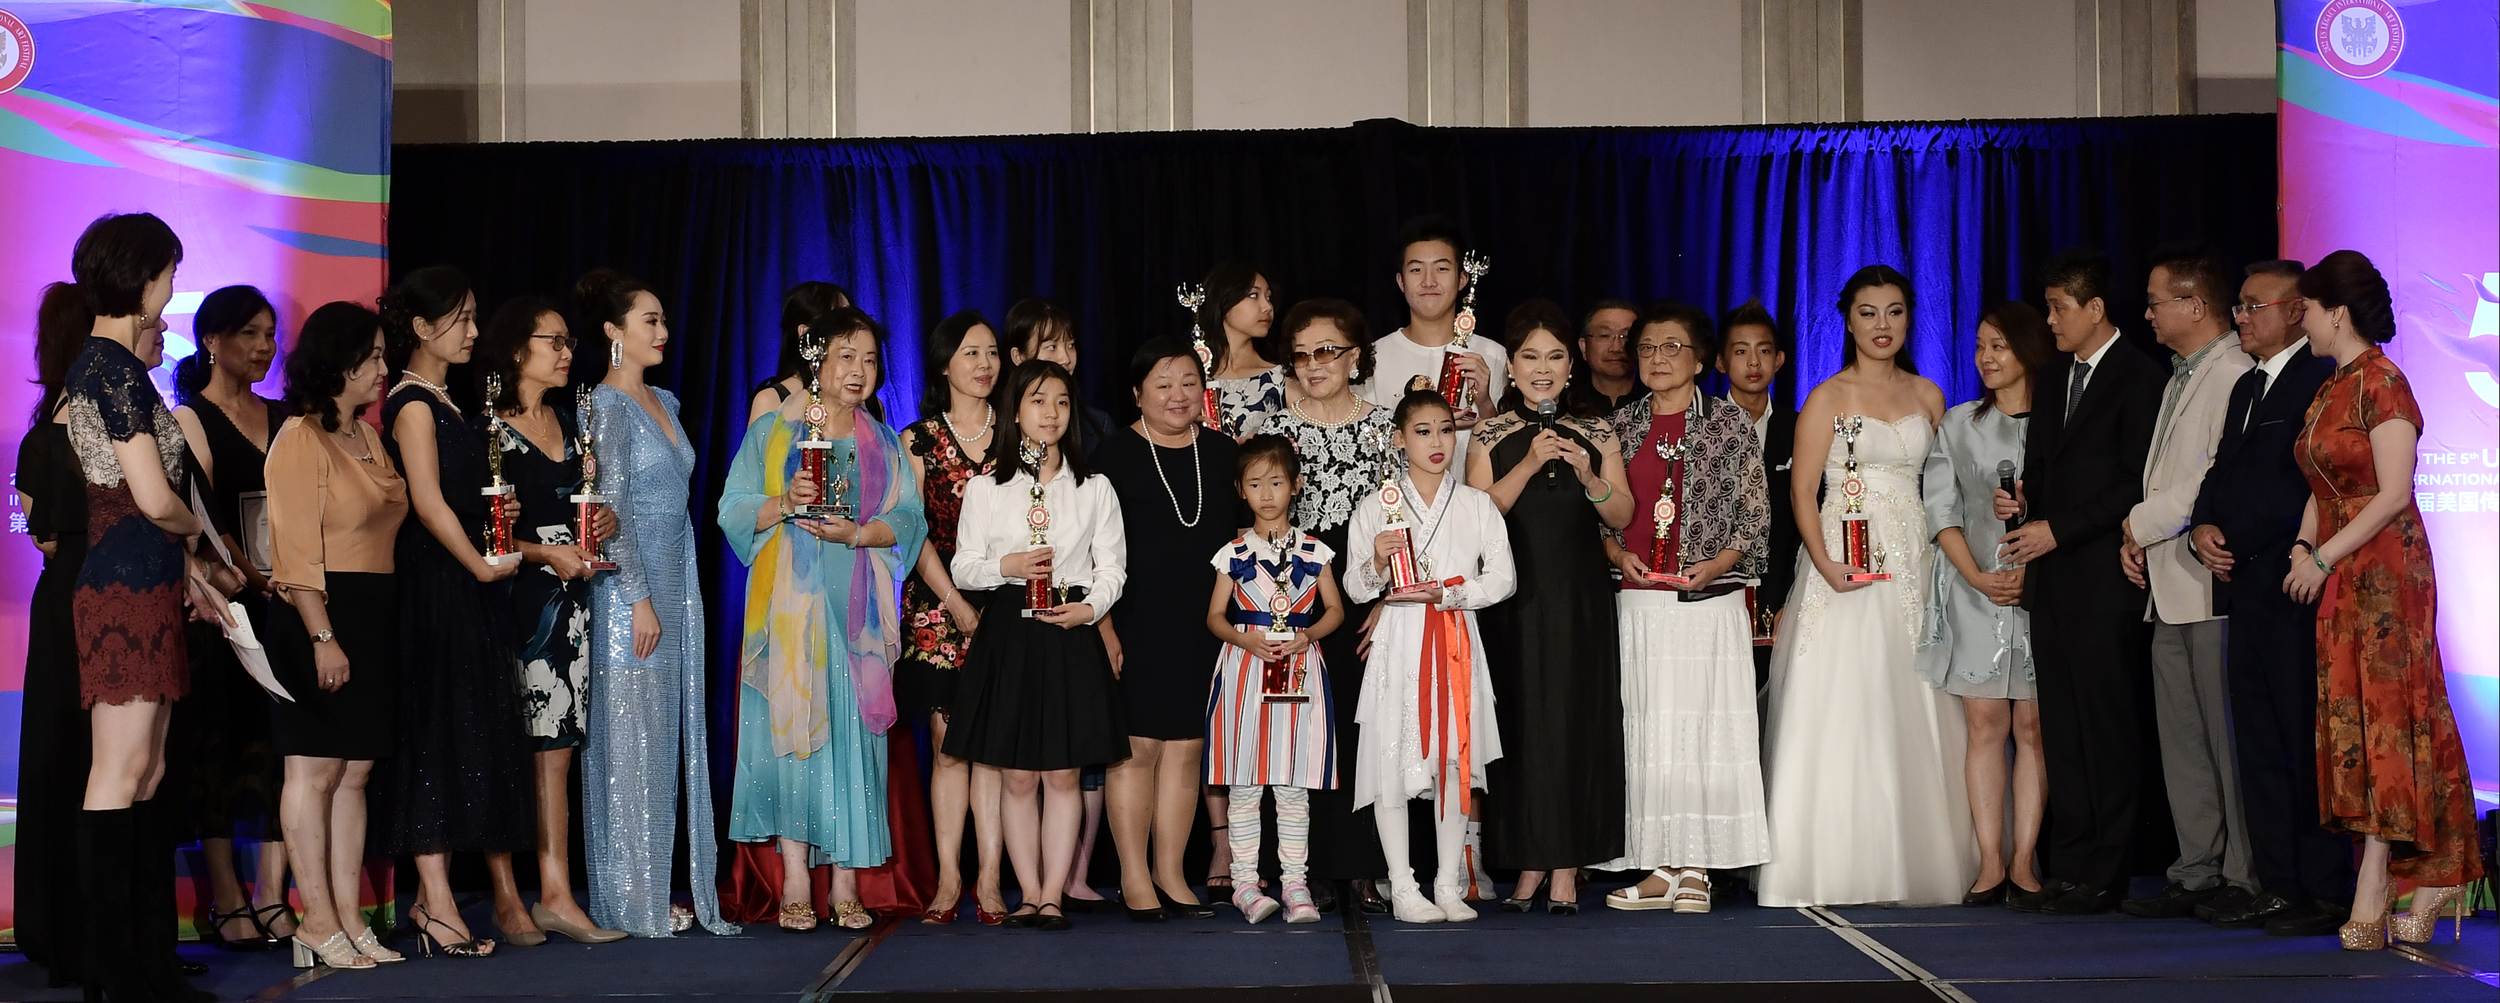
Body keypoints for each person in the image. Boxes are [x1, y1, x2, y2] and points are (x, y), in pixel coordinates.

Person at [1755, 265, 1975, 908]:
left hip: (1916, 558)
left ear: (1909, 320)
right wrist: (1824, 563)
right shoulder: (1826, 397)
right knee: (1843, 695)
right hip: (1842, 560)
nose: (1883, 325)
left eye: (1895, 312)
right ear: (1848, 321)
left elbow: (1946, 487)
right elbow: (1801, 492)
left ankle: (1922, 860)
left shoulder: (1930, 395)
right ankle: (1826, 863)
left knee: (1916, 692)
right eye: (1869, 312)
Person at [2284, 250, 2483, 949]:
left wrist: (2323, 555)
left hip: (2388, 570)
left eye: (2307, 308)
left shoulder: (2384, 382)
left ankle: (2377, 878)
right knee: (2359, 719)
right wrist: (2302, 545)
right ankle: (2436, 873)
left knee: (2395, 716)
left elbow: (2393, 493)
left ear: (2337, 313)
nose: (2300, 320)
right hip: (2342, 568)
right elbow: (2322, 486)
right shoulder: (2329, 388)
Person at [61, 213, 227, 1000]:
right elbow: (155, 498)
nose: (170, 290)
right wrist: (210, 544)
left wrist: (189, 567)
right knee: (120, 770)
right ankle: (114, 968)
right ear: (142, 276)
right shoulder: (110, 367)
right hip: (123, 585)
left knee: (149, 769)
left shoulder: (117, 365)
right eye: (168, 274)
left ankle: (146, 960)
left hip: (147, 578)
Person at [722, 306, 929, 933]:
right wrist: (784, 501)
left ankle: (844, 884)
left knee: (851, 742)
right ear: (817, 360)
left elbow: (910, 520)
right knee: (793, 739)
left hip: (857, 617)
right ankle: (793, 881)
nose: (859, 371)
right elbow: (733, 507)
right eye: (846, 357)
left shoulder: (883, 441)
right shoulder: (775, 430)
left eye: (869, 360)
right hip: (789, 614)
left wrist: (860, 533)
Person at [1995, 248, 2164, 915]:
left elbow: (2133, 481)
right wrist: (2023, 502)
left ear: (2095, 308)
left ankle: (2108, 869)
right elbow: (2044, 467)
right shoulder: (2056, 374)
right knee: (2061, 727)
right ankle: (2068, 863)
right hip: (2053, 580)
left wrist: (2058, 529)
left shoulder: (2140, 376)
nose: (2050, 319)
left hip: (2103, 577)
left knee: (2106, 725)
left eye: (2059, 307)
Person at [376, 267, 536, 959]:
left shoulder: (446, 399)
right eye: (461, 318)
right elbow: (426, 501)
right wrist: (476, 562)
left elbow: (459, 497)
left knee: (466, 729)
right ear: (420, 327)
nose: (473, 331)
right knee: (436, 732)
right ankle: (435, 901)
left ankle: (432, 896)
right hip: (439, 583)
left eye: (474, 316)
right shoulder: (412, 402)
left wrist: (499, 518)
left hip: (471, 580)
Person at [2186, 260, 2350, 935]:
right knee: (2255, 738)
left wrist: (2244, 536)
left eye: (2255, 306)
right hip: (2242, 585)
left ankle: (2325, 889)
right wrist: (2202, 526)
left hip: (2292, 581)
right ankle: (2276, 883)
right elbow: (2221, 471)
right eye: (2240, 306)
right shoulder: (2247, 384)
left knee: (2300, 736)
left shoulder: (2319, 380)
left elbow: (2305, 487)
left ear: (2294, 311)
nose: (2241, 318)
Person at [1592, 302, 1771, 914]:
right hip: (1639, 605)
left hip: (1706, 604)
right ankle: (1659, 866)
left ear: (1700, 360)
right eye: (1647, 347)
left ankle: (1698, 866)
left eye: (1672, 347)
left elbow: (1755, 518)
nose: (1657, 358)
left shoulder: (1728, 422)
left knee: (1703, 731)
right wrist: (1617, 554)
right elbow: (1600, 518)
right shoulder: (1620, 425)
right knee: (1649, 732)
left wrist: (1716, 565)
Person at [577, 268, 739, 938]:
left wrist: (676, 598)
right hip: (628, 594)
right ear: (613, 332)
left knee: (662, 740)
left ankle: (654, 888)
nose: (663, 331)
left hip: (677, 586)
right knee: (629, 744)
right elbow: (609, 511)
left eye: (664, 319)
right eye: (650, 320)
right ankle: (630, 900)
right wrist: (638, 598)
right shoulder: (604, 405)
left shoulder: (664, 401)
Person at [942, 359, 1129, 932]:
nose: (1051, 413)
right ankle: (1027, 894)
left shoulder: (1093, 486)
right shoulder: (987, 488)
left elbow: (1113, 568)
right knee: (1018, 775)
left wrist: (1090, 609)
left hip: (1069, 630)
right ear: (1015, 411)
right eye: (1038, 401)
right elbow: (964, 567)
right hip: (1011, 632)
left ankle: (1052, 896)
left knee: (1065, 774)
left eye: (1062, 402)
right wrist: (1009, 565)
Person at [1465, 300, 1633, 914]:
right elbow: (1476, 521)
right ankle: (1528, 862)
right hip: (1513, 601)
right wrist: (1531, 462)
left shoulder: (1598, 430)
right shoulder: (1489, 436)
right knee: (1521, 726)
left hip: (1580, 600)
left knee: (1573, 723)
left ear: (1571, 365)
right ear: (1510, 366)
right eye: (1530, 357)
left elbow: (1622, 514)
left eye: (1555, 357)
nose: (1543, 369)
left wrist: (1590, 475)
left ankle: (1566, 865)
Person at [475, 296, 625, 947]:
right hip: (515, 602)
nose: (567, 353)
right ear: (517, 350)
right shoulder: (489, 431)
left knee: (557, 752)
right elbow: (484, 534)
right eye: (553, 341)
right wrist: (544, 553)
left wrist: (603, 521)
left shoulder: (569, 419)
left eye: (568, 342)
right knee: (509, 749)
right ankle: (506, 894)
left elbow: (581, 503)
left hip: (570, 607)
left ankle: (557, 893)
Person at [2117, 246, 2259, 920]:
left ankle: (2244, 873)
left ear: (2195, 305)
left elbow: (2208, 478)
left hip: (2210, 582)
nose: (2147, 314)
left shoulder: (2233, 372)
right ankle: (2197, 868)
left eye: (2156, 302)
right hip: (2169, 582)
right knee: (2184, 739)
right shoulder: (2184, 373)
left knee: (2226, 739)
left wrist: (2134, 524)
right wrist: (2139, 537)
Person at [264, 301, 405, 971]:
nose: (382, 368)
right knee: (313, 770)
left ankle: (349, 917)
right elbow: (294, 553)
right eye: (372, 356)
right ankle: (314, 919)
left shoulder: (368, 436)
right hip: (317, 616)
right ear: (339, 361)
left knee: (355, 773)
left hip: (373, 614)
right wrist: (323, 635)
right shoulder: (299, 437)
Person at [1344, 389, 1517, 924]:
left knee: (1454, 758)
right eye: (1422, 431)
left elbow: (1504, 578)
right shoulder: (1376, 506)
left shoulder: (1476, 504)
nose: (1437, 441)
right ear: (1399, 439)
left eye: (1445, 429)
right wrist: (1377, 561)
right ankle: (1402, 885)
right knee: (1391, 757)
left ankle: (1447, 882)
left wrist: (1450, 593)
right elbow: (1354, 587)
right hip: (1399, 638)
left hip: (1455, 634)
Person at [165, 285, 297, 951]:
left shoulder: (287, 416)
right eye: (249, 333)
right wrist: (251, 577)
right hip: (225, 608)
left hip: (289, 603)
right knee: (217, 747)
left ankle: (273, 893)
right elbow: (205, 519)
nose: (264, 346)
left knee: (284, 747)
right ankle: (226, 895)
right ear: (211, 341)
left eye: (270, 333)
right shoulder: (189, 418)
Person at [1093, 338, 1243, 920]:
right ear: (1137, 393)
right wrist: (1105, 627)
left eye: (1188, 382)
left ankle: (1171, 873)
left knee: (1187, 748)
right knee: (1136, 749)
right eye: (1163, 384)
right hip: (1133, 622)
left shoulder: (1225, 454)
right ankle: (1133, 876)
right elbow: (1089, 554)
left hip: (1205, 623)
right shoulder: (1111, 457)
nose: (1178, 395)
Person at [1261, 298, 1399, 915]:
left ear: (1354, 356)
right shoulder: (1273, 430)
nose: (1313, 365)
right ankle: (1302, 866)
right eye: (1301, 355)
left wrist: (1391, 598)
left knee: (1363, 729)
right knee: (1297, 730)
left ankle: (1364, 866)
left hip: (1367, 588)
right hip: (1292, 592)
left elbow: (1405, 520)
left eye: (1326, 351)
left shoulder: (1385, 427)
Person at [1918, 302, 2053, 906]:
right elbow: (1941, 510)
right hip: (1975, 591)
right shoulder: (1959, 423)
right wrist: (1975, 576)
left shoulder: (2057, 422)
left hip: (2041, 594)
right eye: (1980, 346)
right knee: (1984, 724)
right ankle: (1990, 861)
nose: (1986, 358)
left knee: (2033, 725)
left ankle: (2025, 862)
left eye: (1999, 345)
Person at [1202, 435, 1349, 924]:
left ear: (1296, 485)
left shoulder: (1315, 551)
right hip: (1245, 670)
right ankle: (1245, 883)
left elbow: (1335, 610)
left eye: (1277, 482)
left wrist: (1308, 636)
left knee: (1292, 786)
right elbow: (1215, 617)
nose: (1266, 494)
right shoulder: (1233, 552)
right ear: (1240, 489)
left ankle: (1295, 885)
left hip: (1299, 669)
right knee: (1244, 784)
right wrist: (1245, 640)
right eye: (1255, 484)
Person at [896, 309, 1002, 924]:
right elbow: (912, 533)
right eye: (970, 353)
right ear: (943, 364)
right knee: (949, 747)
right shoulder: (919, 439)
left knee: (994, 747)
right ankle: (948, 878)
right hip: (939, 605)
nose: (984, 364)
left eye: (992, 352)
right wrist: (956, 603)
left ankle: (990, 879)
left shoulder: (1019, 432)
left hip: (1008, 602)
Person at [15, 282, 100, 987]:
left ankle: (77, 931)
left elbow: (42, 531)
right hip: (82, 605)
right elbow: (43, 533)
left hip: (70, 601)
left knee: (78, 758)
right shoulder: (51, 436)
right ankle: (76, 932)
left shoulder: (45, 435)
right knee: (78, 758)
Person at [1357, 216, 1508, 448]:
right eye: (1416, 269)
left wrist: (1485, 404)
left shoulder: (1495, 356)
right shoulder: (1374, 358)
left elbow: (1509, 450)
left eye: (1441, 269)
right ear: (1401, 281)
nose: (1429, 281)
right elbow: (1365, 442)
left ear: (1462, 279)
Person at [1716, 301, 1797, 689]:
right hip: (1717, 588)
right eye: (1740, 351)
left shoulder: (1799, 427)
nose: (1753, 362)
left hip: (1781, 586)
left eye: (1763, 351)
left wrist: (1795, 597)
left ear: (1778, 360)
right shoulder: (1702, 427)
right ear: (1720, 362)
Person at [1004, 298, 1112, 450]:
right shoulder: (992, 425)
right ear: (1019, 356)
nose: (1066, 359)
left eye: (1071, 345)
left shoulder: (1098, 425)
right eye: (1051, 347)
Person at [1197, 262, 1288, 438]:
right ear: (1223, 300)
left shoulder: (1281, 378)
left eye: (1268, 297)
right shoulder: (1192, 375)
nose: (1267, 307)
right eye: (1253, 295)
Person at [747, 280, 853, 425]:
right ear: (805, 333)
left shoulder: (865, 401)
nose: (851, 333)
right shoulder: (771, 400)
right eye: (839, 324)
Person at [1579, 298, 1642, 415]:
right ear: (1584, 347)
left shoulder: (1658, 405)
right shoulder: (1567, 405)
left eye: (1626, 336)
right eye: (1604, 336)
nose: (1616, 348)